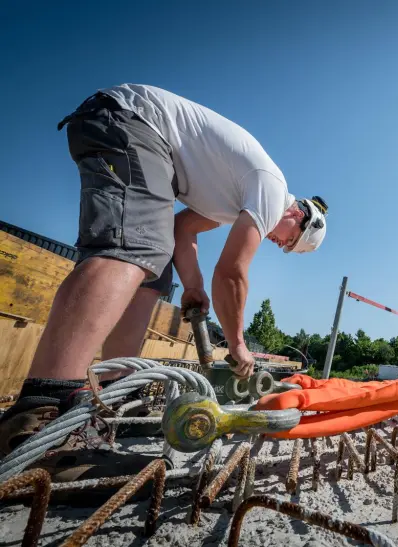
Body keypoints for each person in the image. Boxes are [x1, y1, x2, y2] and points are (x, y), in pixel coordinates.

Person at [0, 84, 328, 484]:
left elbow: (182, 228)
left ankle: (119, 395)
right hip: (133, 125)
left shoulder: (232, 198)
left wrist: (191, 286)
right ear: (298, 217)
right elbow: (231, 272)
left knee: (153, 272)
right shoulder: (271, 189)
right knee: (133, 247)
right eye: (287, 241)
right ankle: (41, 421)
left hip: (128, 129)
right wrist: (237, 343)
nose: (279, 243)